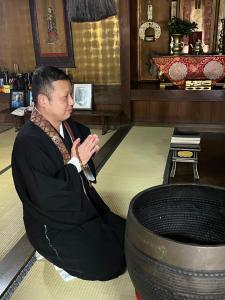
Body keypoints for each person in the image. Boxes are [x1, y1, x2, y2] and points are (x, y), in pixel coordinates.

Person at [11, 66, 126, 281]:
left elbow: (83, 169)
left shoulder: (69, 126)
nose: (72, 102)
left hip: (80, 205)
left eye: (71, 95)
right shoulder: (28, 143)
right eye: (65, 97)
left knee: (128, 236)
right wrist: (76, 162)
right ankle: (50, 253)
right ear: (43, 101)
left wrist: (85, 159)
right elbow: (46, 197)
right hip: (52, 221)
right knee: (110, 265)